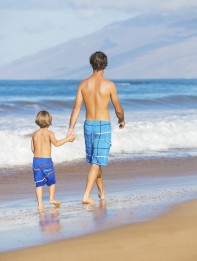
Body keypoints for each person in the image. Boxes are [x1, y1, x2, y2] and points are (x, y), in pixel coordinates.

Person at [67, 51, 125, 204]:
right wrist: (122, 120)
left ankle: (102, 193)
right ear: (105, 64)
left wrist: (70, 129)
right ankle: (86, 195)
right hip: (103, 126)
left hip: (88, 125)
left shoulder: (83, 84)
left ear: (91, 64)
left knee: (96, 161)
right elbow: (118, 109)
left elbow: (76, 109)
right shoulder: (109, 85)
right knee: (96, 162)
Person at [31, 110, 75, 210]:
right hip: (46, 161)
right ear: (49, 121)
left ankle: (40, 204)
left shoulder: (34, 134)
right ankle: (51, 199)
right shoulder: (49, 133)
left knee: (38, 183)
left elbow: (33, 149)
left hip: (36, 161)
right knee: (52, 181)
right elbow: (56, 144)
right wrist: (68, 139)